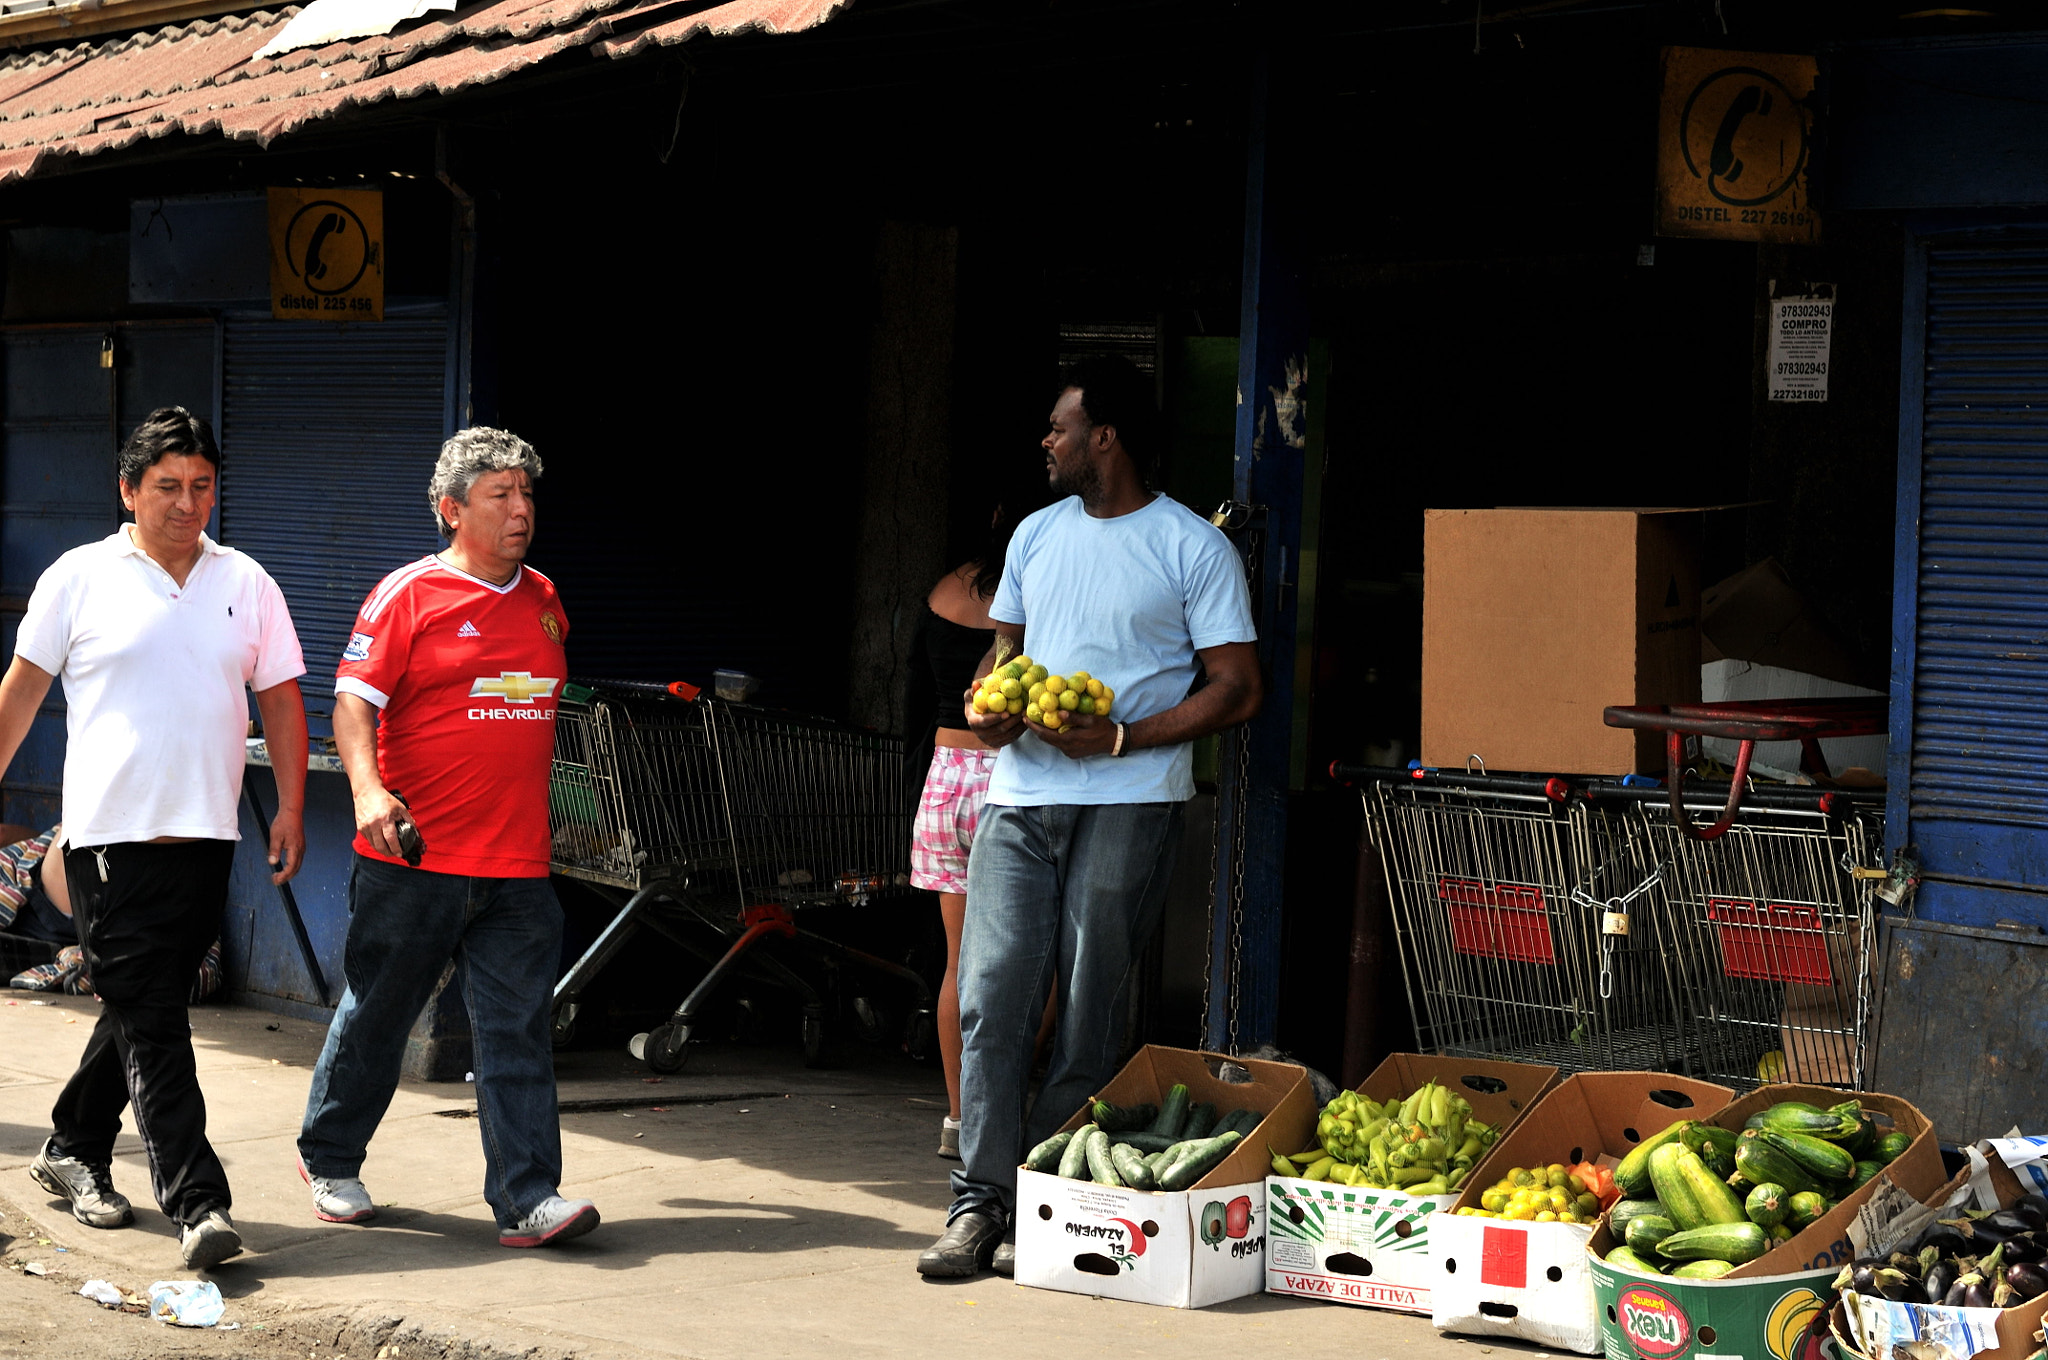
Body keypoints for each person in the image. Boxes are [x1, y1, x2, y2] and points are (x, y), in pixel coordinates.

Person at [916, 357, 1263, 1278]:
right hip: (1020, 800)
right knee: (991, 999)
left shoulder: (1193, 547)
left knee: (1089, 1010)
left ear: (1102, 438)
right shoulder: (1034, 534)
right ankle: (979, 1204)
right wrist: (989, 701)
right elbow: (1008, 656)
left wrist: (1121, 738)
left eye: (1061, 427)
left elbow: (1237, 688)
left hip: (1130, 803)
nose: (1048, 440)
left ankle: (1048, 1196)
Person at [0, 406, 308, 1271]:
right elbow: (22, 691)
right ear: (127, 490)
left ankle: (72, 1147)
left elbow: (280, 698)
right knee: (160, 1021)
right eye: (167, 486)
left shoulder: (244, 580)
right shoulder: (79, 576)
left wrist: (288, 807)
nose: (186, 503)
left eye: (201, 486)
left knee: (143, 1005)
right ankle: (199, 1202)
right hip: (109, 838)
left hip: (207, 833)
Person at [296, 427, 598, 1249]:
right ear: (451, 509)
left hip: (518, 864)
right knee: (380, 1016)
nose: (521, 510)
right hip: (414, 854)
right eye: (500, 495)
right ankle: (329, 1156)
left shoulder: (543, 599)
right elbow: (352, 703)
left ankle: (529, 1197)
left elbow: (533, 717)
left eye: (527, 494)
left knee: (516, 1030)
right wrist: (366, 791)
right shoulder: (407, 596)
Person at [905, 506, 1056, 1161]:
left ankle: (960, 1118)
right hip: (1009, 781)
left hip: (945, 782)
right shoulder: (1041, 596)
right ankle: (1005, 1102)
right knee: (1037, 968)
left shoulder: (943, 590)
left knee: (958, 964)